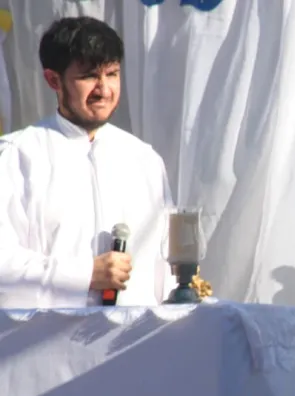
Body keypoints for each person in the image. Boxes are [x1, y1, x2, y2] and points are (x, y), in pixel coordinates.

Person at [0, 16, 175, 308]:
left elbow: (164, 273)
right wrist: (84, 274)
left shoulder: (144, 160)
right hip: (43, 345)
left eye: (112, 74)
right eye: (89, 76)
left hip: (134, 344)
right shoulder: (17, 155)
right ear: (53, 79)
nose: (104, 90)